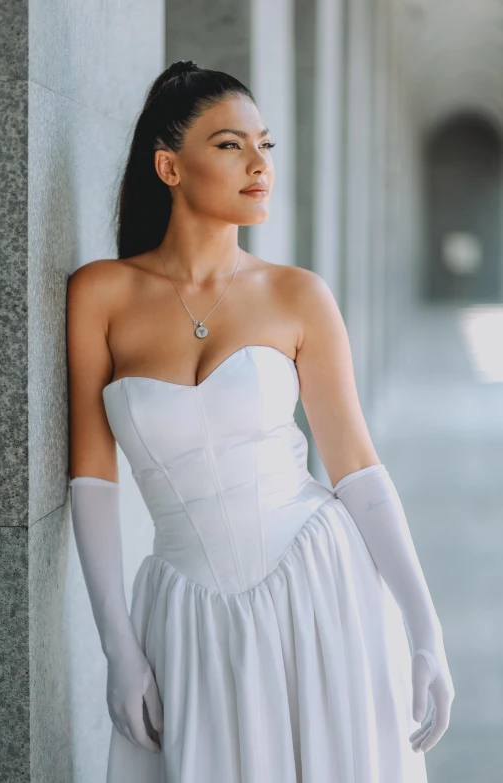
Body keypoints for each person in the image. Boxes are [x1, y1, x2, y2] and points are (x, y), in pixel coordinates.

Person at [67, 59, 455, 783]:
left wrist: (424, 628)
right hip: (186, 617)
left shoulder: (298, 294)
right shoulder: (100, 294)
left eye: (266, 145)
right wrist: (117, 644)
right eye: (229, 144)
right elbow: (92, 479)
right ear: (168, 165)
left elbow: (358, 470)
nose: (258, 164)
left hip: (320, 586)